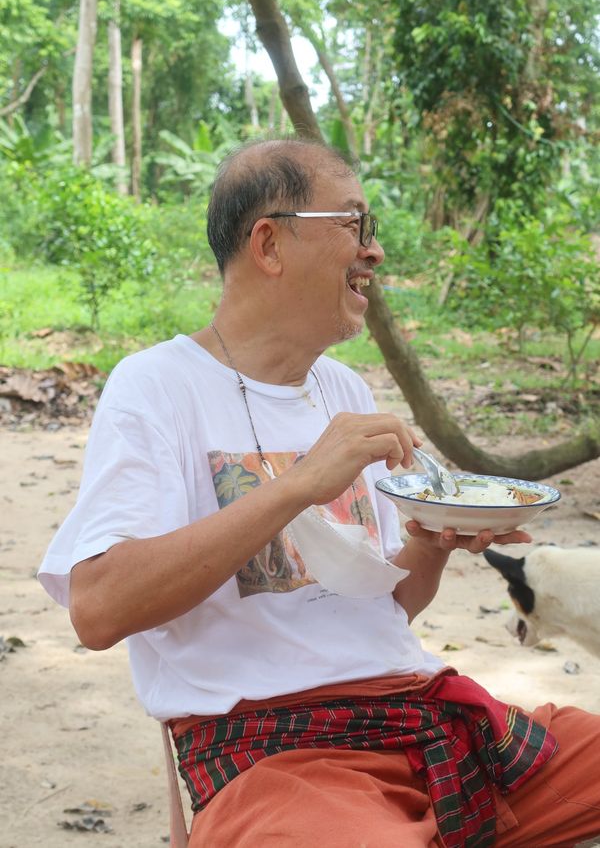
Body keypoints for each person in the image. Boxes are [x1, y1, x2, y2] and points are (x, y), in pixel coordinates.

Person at [39, 138, 600, 848]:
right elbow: (98, 610)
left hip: (419, 715)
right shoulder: (156, 387)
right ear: (269, 245)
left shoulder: (343, 388)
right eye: (354, 224)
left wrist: (431, 542)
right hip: (276, 755)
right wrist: (298, 485)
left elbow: (382, 610)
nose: (375, 251)